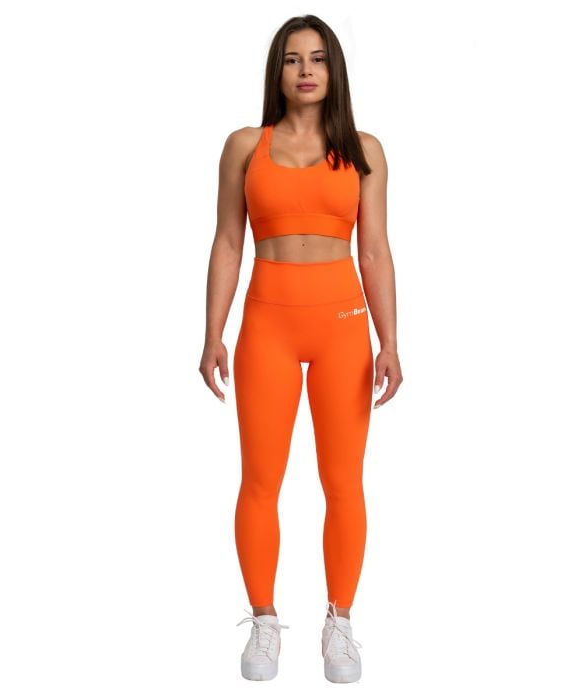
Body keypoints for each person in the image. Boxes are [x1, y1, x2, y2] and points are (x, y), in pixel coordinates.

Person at [199, 14, 403, 683]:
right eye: (292, 59)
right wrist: (212, 333)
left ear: (333, 69)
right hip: (267, 327)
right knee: (261, 480)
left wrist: (390, 341)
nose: (306, 70)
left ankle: (339, 624)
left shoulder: (364, 149)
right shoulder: (243, 146)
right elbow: (228, 242)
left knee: (342, 482)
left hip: (343, 325)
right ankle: (264, 622)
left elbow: (375, 250)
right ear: (277, 71)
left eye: (317, 58)